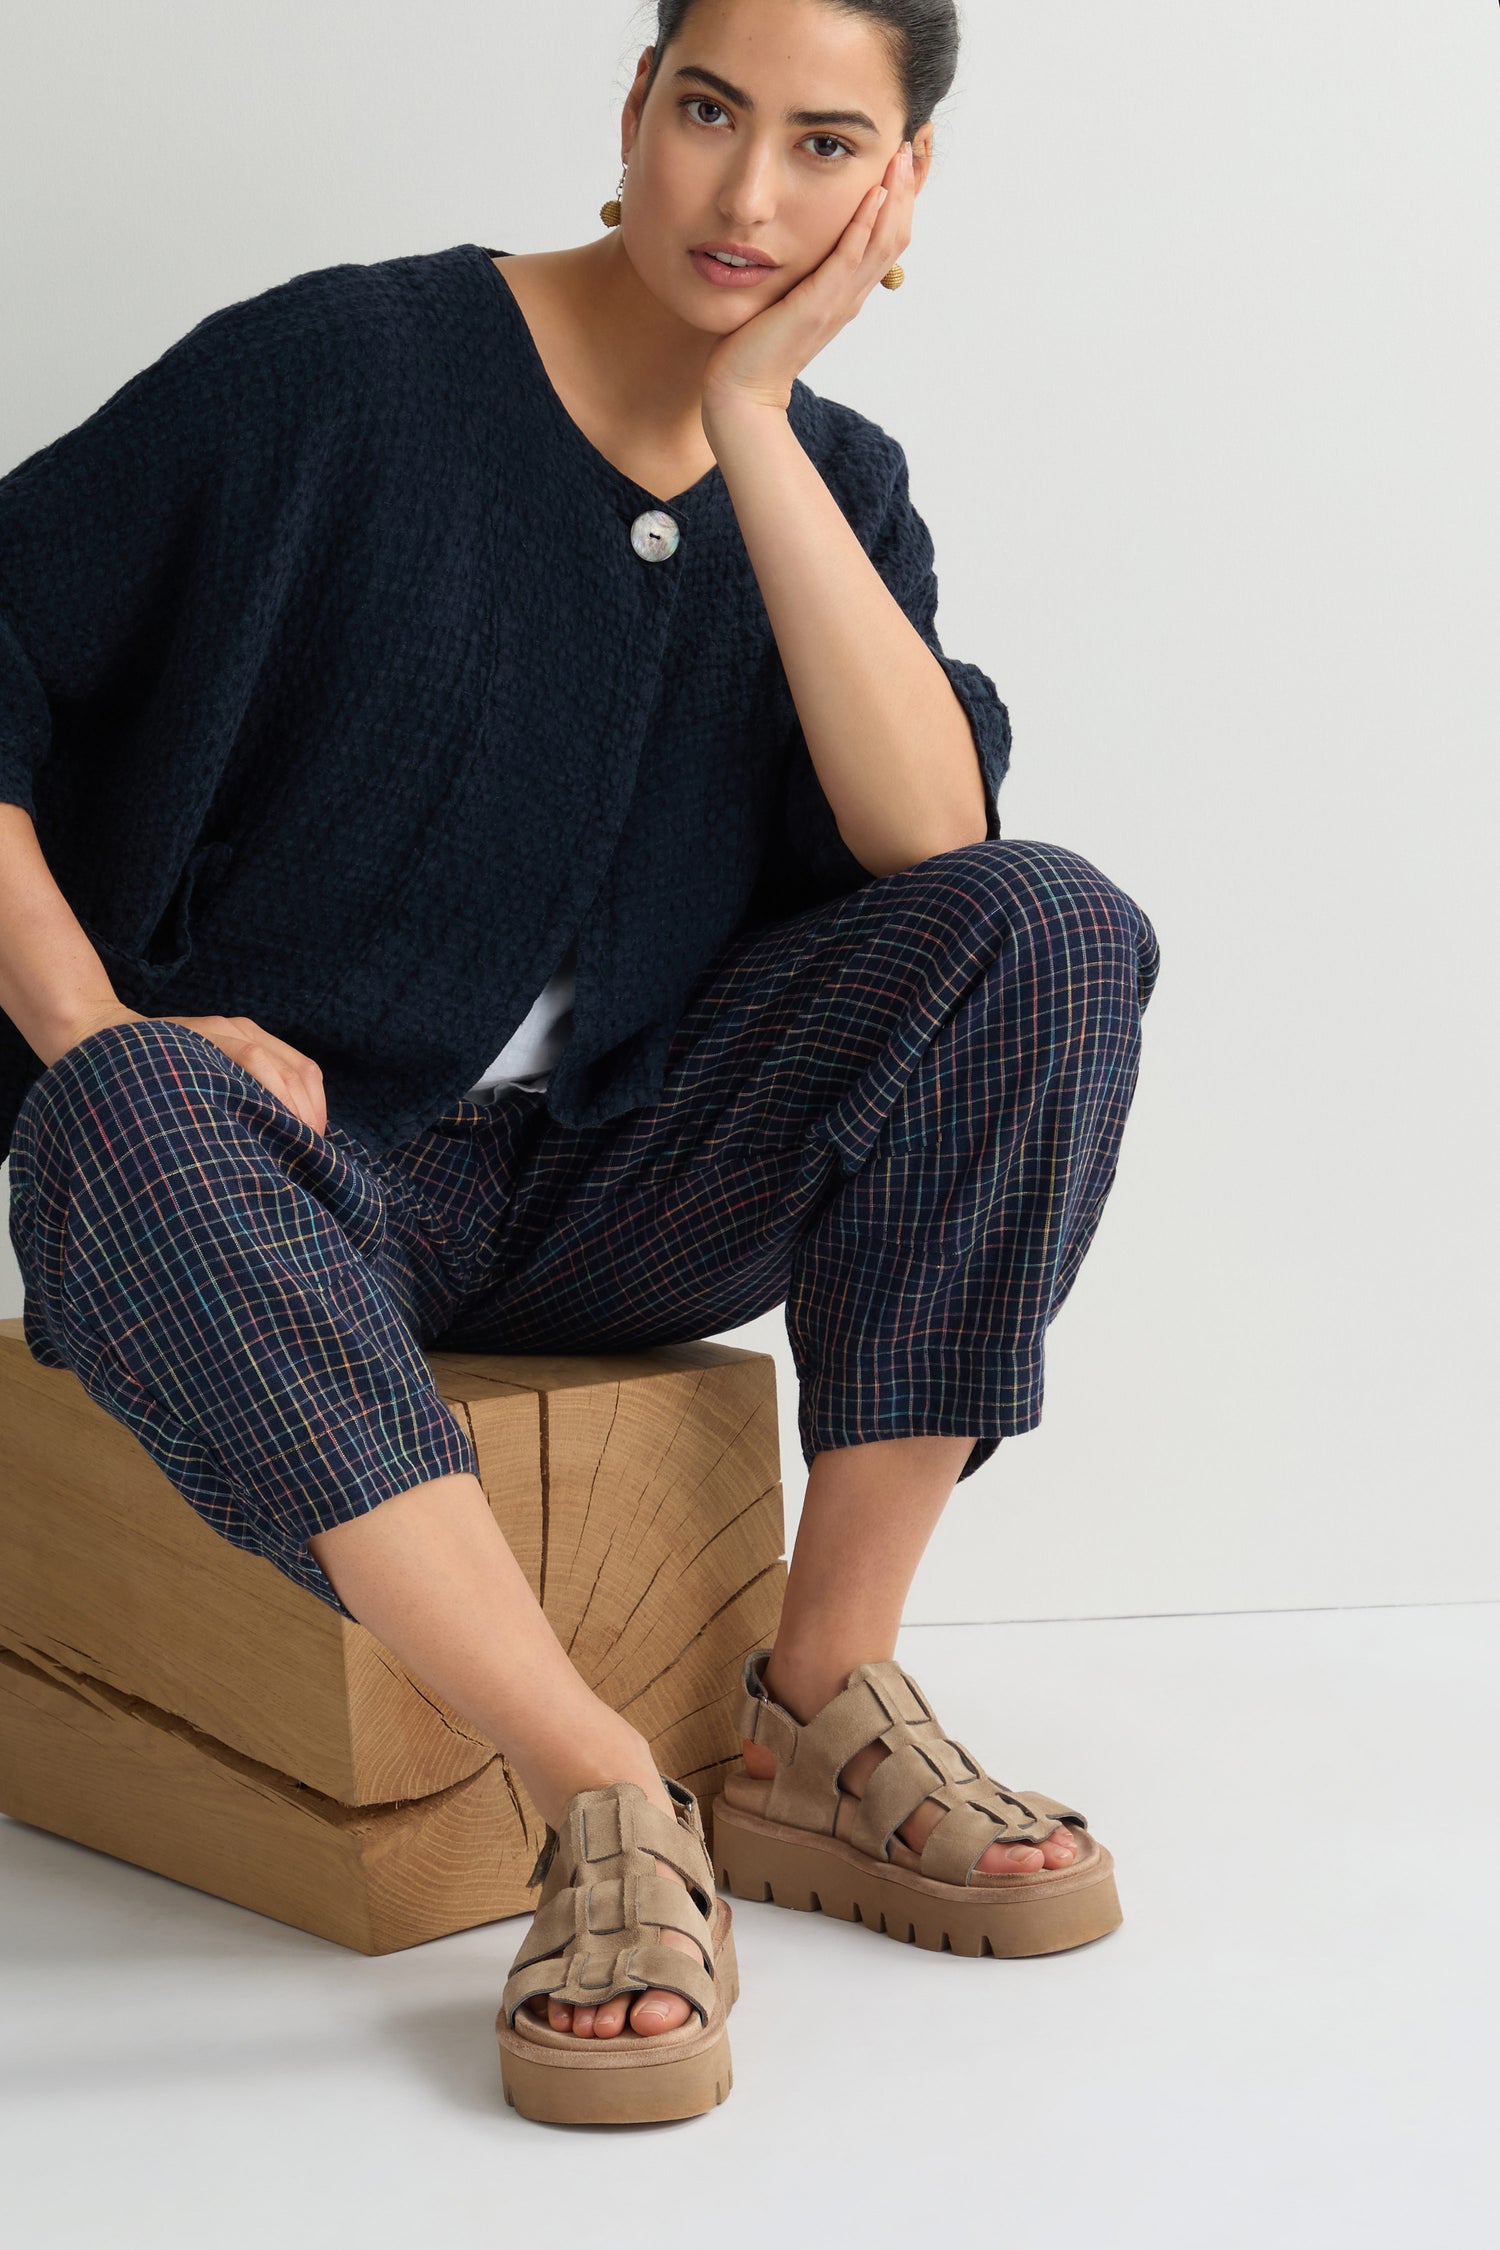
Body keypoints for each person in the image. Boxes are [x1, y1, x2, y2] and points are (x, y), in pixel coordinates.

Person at [0, 0, 1160, 2123]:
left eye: (824, 147)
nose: (743, 193)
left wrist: (753, 416)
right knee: (124, 1105)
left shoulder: (840, 485)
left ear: (899, 197)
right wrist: (88, 1022)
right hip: (303, 1182)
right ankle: (602, 1788)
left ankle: (816, 1705)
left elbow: (937, 853)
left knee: (1053, 928)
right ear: (630, 111)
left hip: (636, 1194)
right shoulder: (346, 375)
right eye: (709, 112)